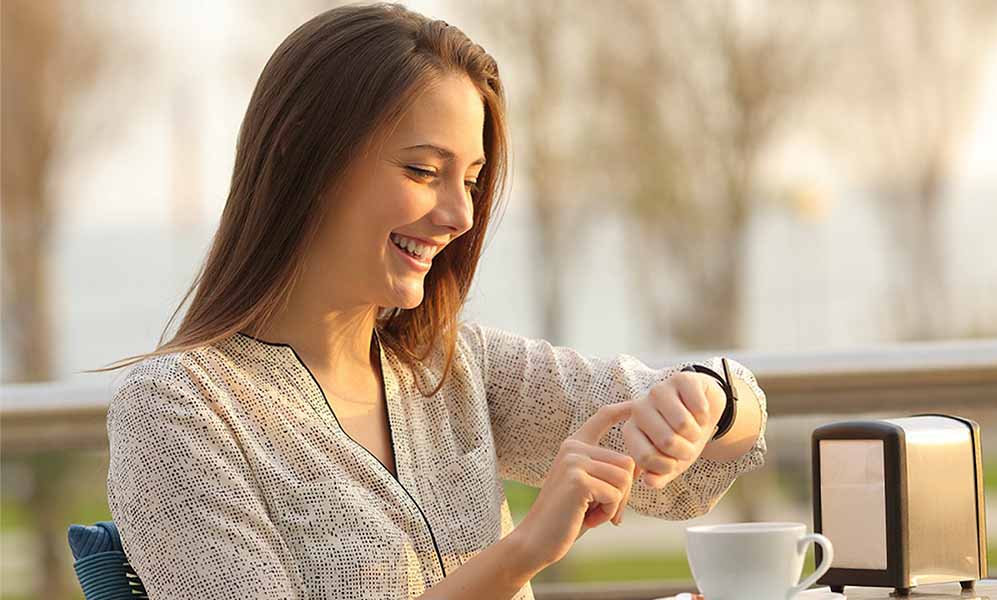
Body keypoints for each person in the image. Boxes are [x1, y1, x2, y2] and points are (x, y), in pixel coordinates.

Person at [98, 3, 768, 599]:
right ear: (304, 153)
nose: (460, 215)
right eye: (423, 171)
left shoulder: (450, 366)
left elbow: (723, 434)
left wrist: (704, 401)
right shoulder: (178, 413)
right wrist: (521, 555)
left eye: (472, 181)